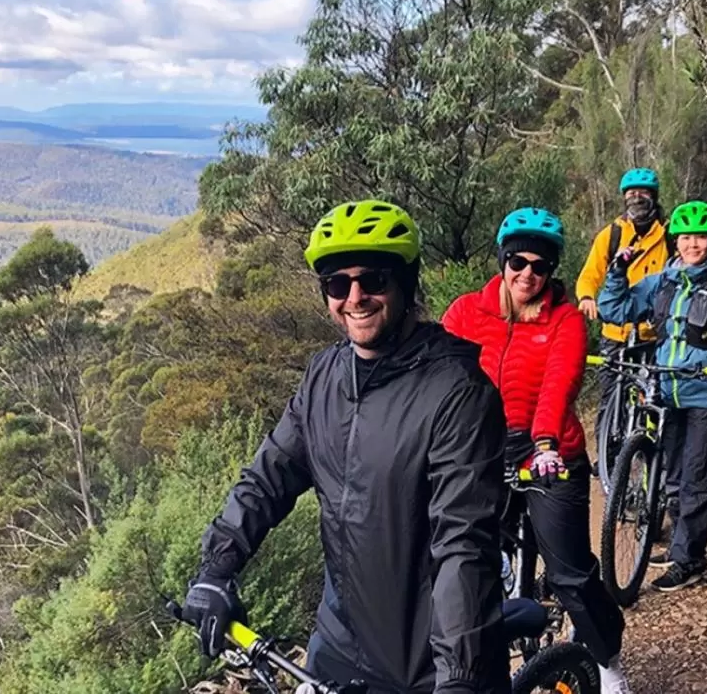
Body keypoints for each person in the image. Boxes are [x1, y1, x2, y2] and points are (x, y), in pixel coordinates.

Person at [181, 199, 512, 693]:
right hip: (338, 644)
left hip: (429, 663)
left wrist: (460, 675)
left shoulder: (457, 392)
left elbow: (463, 545)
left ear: (404, 283)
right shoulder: (324, 377)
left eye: (373, 280)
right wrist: (216, 568)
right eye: (338, 284)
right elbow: (268, 477)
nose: (355, 297)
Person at [442, 208, 633, 694]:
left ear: (552, 271)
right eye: (518, 261)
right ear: (502, 260)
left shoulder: (565, 319)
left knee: (571, 575)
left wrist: (545, 441)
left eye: (540, 266)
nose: (528, 273)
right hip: (484, 454)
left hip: (550, 456)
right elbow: (441, 379)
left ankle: (608, 662)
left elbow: (559, 382)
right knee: (469, 562)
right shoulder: (466, 312)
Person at [597, 200, 707, 592]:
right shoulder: (662, 282)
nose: (693, 244)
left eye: (700, 237)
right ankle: (680, 545)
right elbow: (614, 308)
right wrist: (617, 271)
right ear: (676, 241)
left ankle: (689, 559)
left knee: (700, 478)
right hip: (667, 389)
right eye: (686, 237)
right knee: (673, 474)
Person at [576, 168, 669, 474]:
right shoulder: (612, 234)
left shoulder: (667, 234)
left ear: (653, 197)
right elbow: (591, 272)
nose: (636, 197)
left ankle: (653, 455)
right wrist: (587, 297)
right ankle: (607, 455)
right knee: (610, 393)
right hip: (615, 331)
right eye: (631, 193)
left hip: (653, 332)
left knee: (655, 393)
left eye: (643, 192)